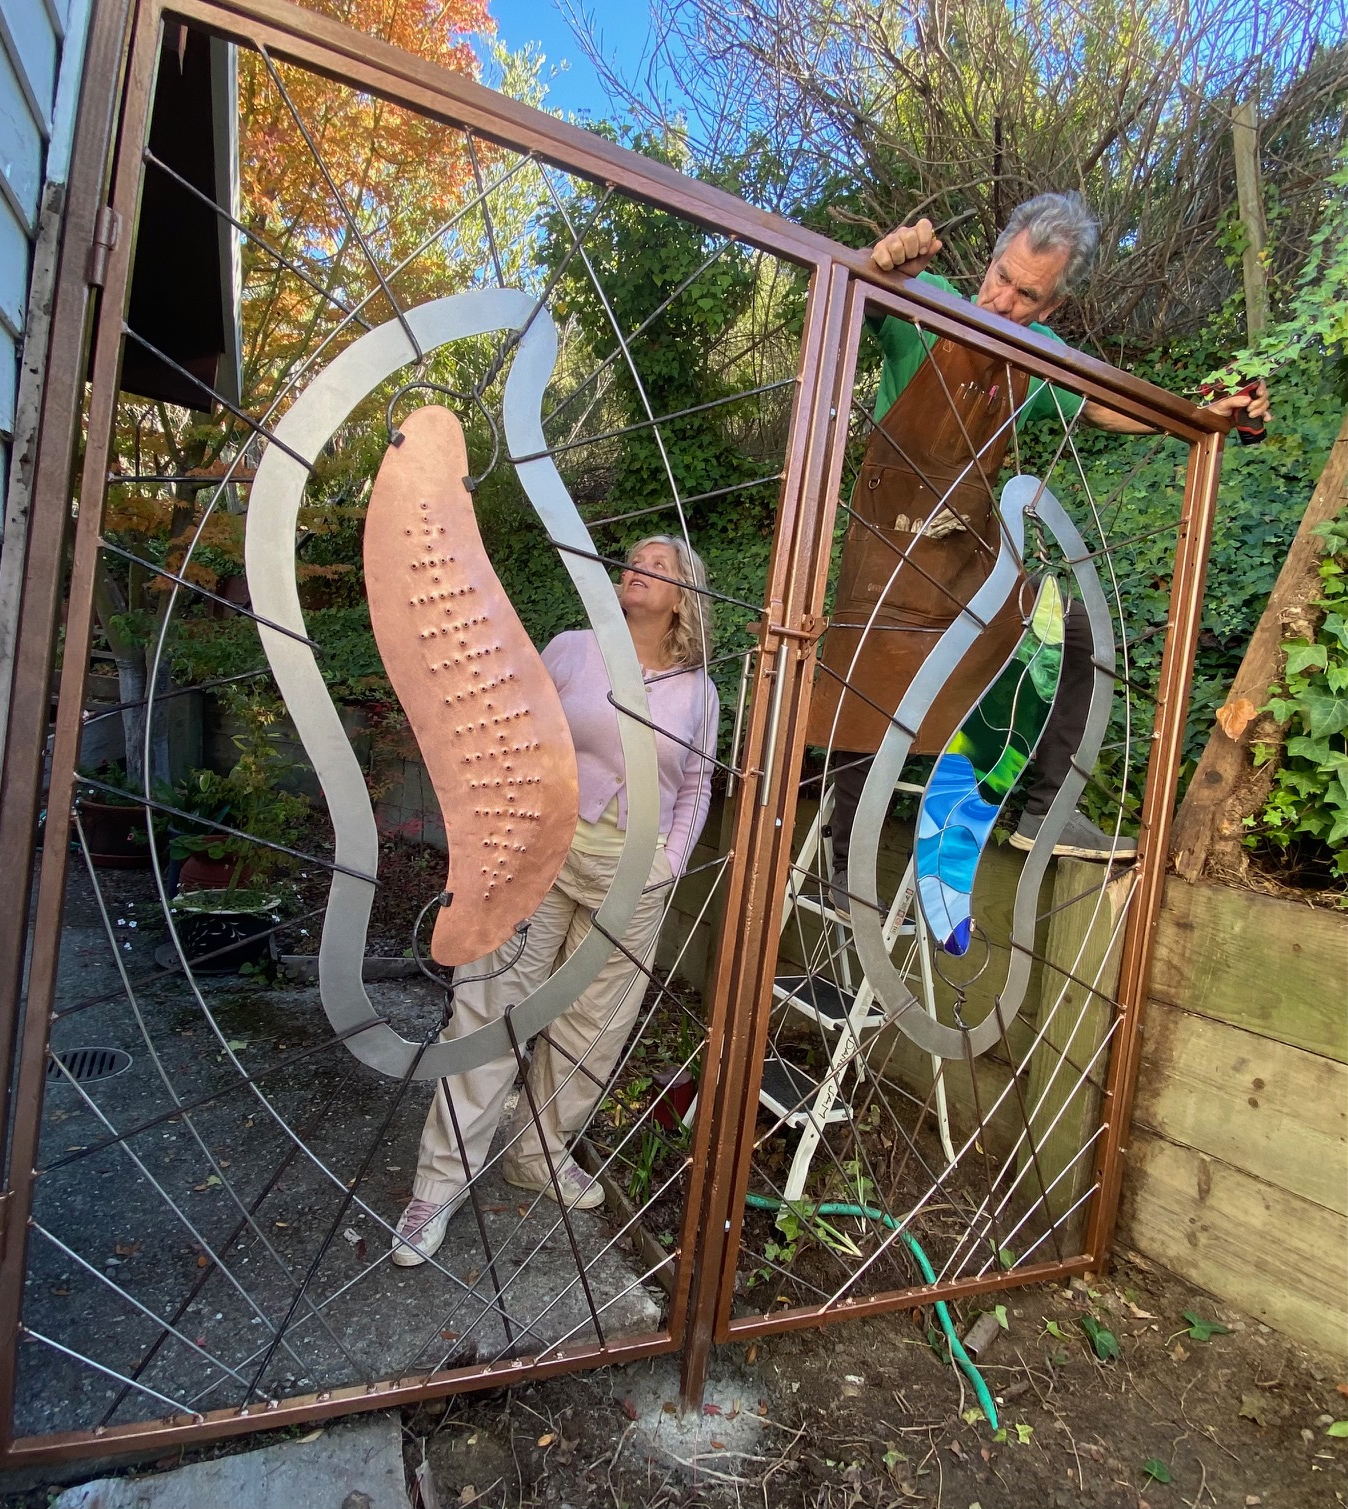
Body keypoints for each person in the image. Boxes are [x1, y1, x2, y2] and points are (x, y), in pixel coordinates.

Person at [811, 192, 1270, 884]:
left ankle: (1046, 812)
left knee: (1073, 634)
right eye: (1000, 276)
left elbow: (1110, 406)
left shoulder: (1039, 352)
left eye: (1026, 295)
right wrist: (882, 261)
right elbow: (867, 295)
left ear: (1051, 307)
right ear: (991, 257)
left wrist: (1202, 415)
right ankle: (840, 879)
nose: (1001, 302)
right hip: (884, 558)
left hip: (964, 561)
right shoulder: (925, 298)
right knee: (867, 716)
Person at [392, 535, 720, 1265]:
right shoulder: (573, 647)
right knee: (489, 1008)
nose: (639, 568)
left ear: (683, 598)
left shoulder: (700, 692)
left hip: (630, 878)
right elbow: (515, 734)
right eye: (634, 558)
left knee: (591, 1029)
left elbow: (695, 785)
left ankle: (537, 1157)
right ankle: (438, 1183)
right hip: (538, 859)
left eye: (659, 566)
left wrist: (666, 863)